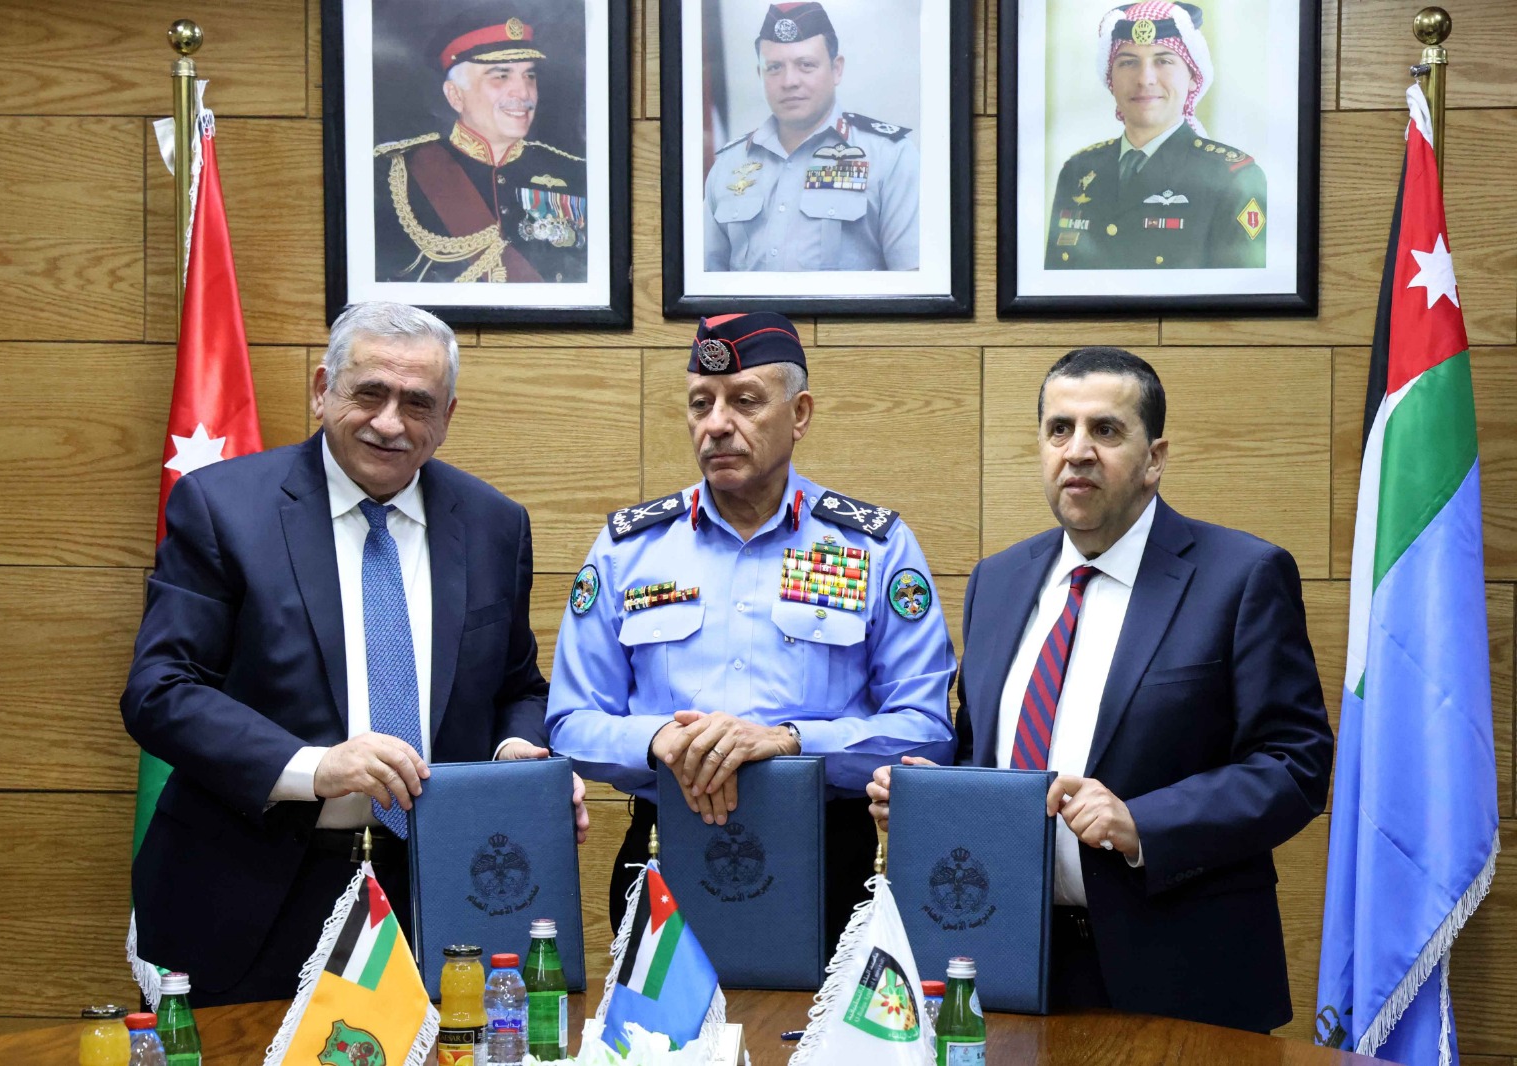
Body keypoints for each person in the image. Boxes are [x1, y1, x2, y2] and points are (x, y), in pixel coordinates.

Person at [123, 301, 586, 1006]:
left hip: (438, 882)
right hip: (253, 887)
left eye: (417, 402)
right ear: (322, 390)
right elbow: (160, 689)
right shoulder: (222, 507)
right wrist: (315, 767)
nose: (390, 423)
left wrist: (515, 752)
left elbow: (516, 685)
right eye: (369, 393)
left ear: (447, 416)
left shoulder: (494, 523)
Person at [868, 347, 1332, 1033]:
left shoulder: (1242, 576)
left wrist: (1144, 823)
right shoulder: (998, 581)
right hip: (1007, 959)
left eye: (1106, 430)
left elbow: (1296, 766)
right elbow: (981, 757)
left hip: (1180, 973)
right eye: (1059, 429)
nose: (1077, 451)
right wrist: (931, 801)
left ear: (1154, 458)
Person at [548, 311, 955, 939]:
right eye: (700, 403)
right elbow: (570, 724)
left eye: (744, 401)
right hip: (664, 848)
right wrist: (659, 740)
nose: (716, 424)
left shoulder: (874, 547)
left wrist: (791, 741)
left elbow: (927, 731)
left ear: (799, 414)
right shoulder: (630, 549)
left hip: (830, 858)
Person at [1044, 1, 1267, 270]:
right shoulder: (1078, 171)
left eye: (1163, 61)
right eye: (1128, 62)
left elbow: (1243, 291)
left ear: (1193, 75)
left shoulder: (1232, 178)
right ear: (1110, 78)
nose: (1145, 79)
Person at [374, 10, 587, 284]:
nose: (523, 93)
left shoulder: (575, 171)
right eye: (501, 76)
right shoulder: (396, 174)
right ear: (455, 95)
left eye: (529, 76)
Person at [704, 2, 919, 271]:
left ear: (836, 69)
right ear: (760, 74)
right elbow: (704, 281)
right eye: (774, 67)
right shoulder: (729, 164)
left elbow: (914, 281)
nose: (789, 81)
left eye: (805, 65)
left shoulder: (889, 157)